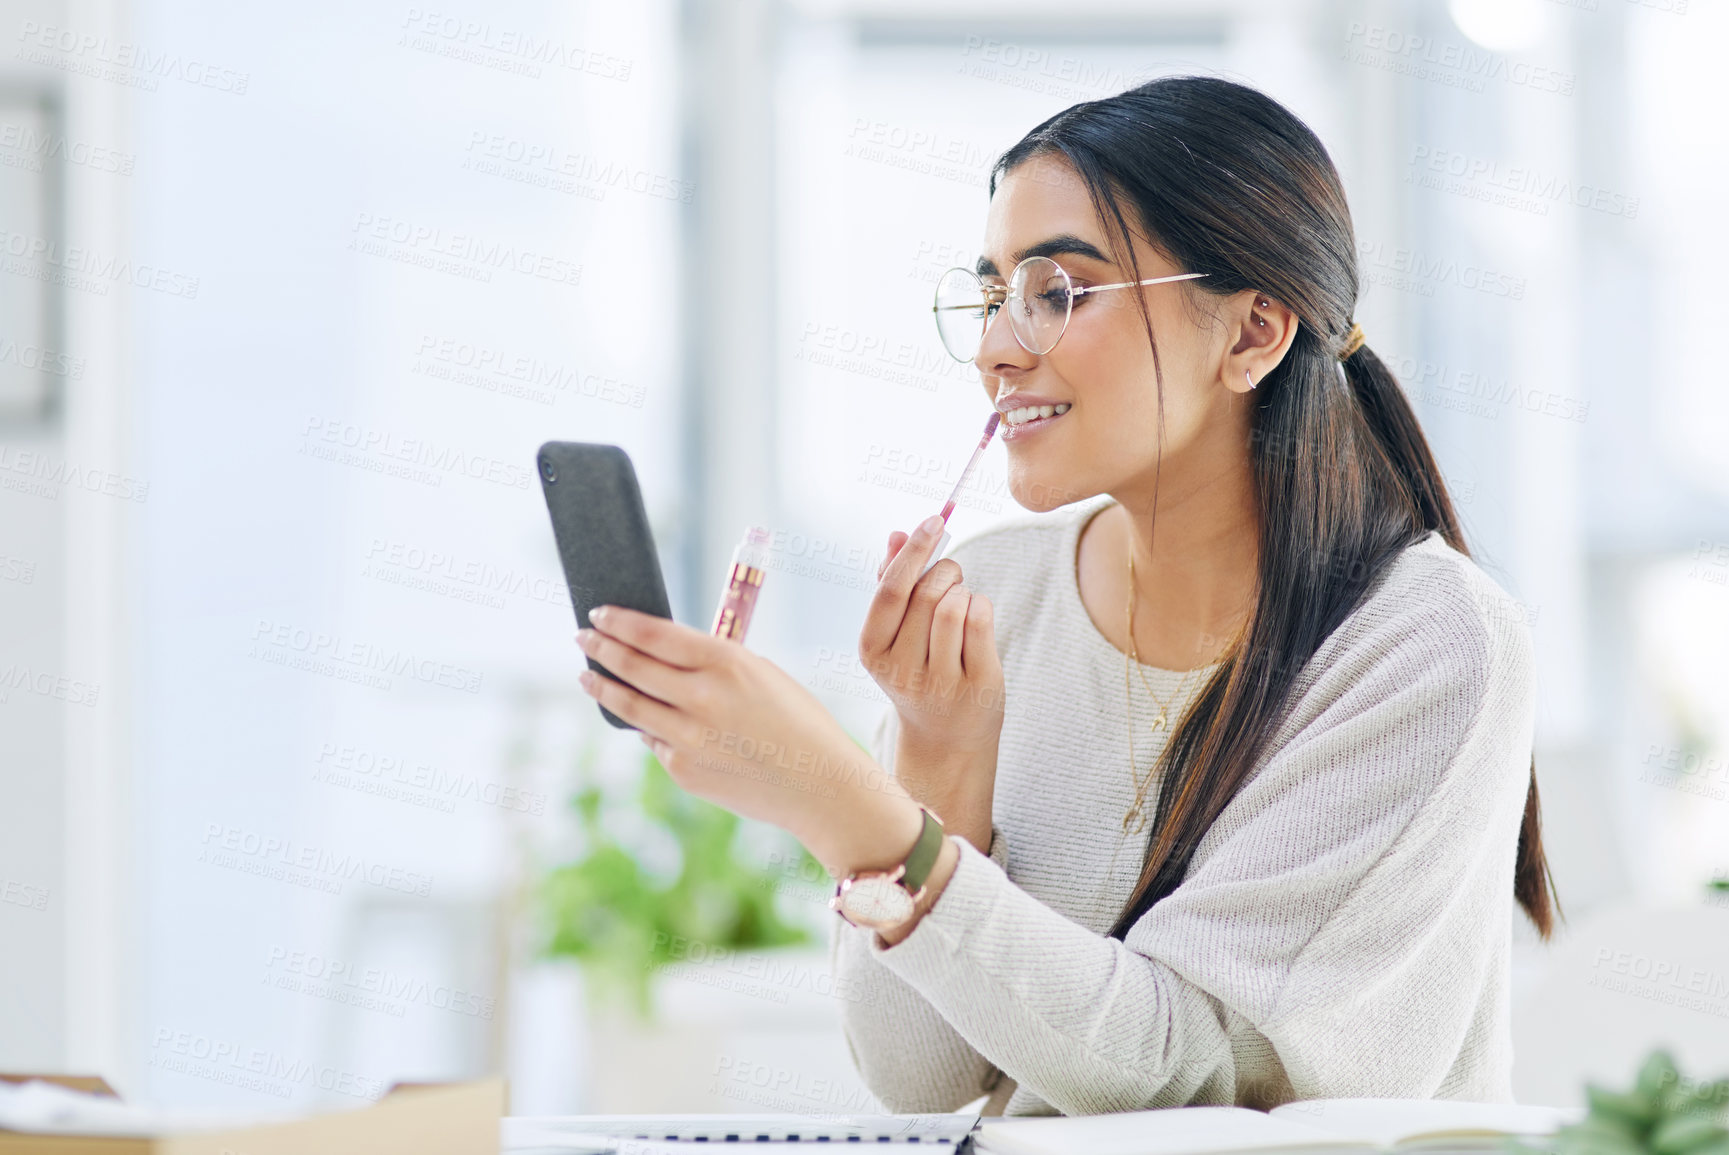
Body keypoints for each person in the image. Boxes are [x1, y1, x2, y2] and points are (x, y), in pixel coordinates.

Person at [573, 74, 1557, 1116]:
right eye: (994, 294)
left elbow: (1182, 1074)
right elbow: (919, 1075)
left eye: (1057, 293)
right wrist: (938, 757)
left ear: (1251, 333)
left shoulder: (1425, 641)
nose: (999, 348)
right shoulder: (994, 605)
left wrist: (842, 804)